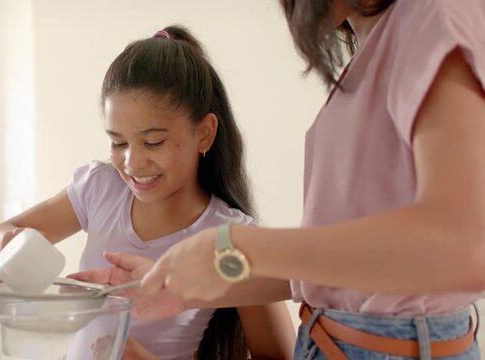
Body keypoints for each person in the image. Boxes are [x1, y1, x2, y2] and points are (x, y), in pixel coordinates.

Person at [71, 1, 485, 359]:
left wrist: (240, 246)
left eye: (154, 140)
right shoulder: (376, 47)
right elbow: (342, 273)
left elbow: (469, 246)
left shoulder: (433, 17)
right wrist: (183, 284)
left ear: (205, 135)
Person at [0, 25, 295, 359]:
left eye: (153, 142)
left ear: (204, 133)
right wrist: (5, 247)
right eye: (118, 142)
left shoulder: (230, 239)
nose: (132, 162)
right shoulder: (99, 189)